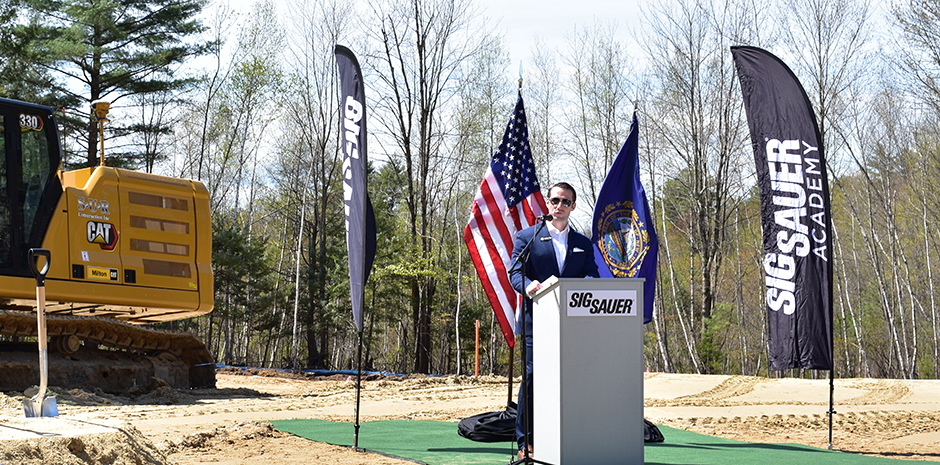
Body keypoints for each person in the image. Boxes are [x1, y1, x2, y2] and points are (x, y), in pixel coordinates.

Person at [508, 181, 599, 459]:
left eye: (566, 202)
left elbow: (592, 275)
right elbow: (515, 274)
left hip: (572, 325)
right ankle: (527, 443)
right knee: (534, 380)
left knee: (570, 381)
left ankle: (566, 437)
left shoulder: (583, 243)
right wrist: (529, 285)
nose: (559, 206)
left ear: (573, 206)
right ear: (547, 204)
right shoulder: (529, 237)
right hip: (537, 322)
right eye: (555, 201)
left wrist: (586, 285)